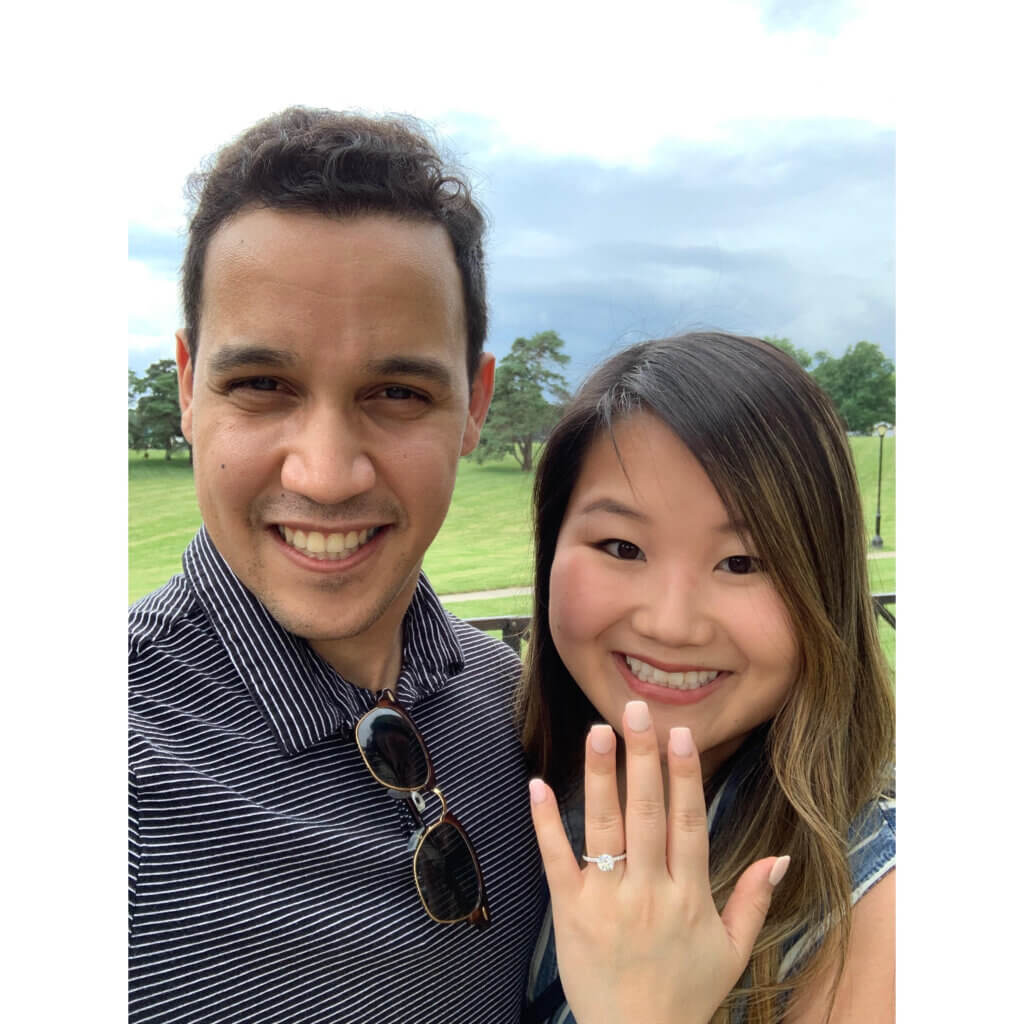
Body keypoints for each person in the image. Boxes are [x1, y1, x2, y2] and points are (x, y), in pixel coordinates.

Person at [128, 106, 548, 1023]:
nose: (325, 475)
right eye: (261, 386)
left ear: (473, 404)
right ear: (189, 388)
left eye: (396, 392)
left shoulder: (521, 708)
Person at [519, 332, 896, 1023]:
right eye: (621, 547)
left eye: (743, 562)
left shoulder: (880, 905)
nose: (672, 623)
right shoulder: (494, 770)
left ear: (826, 588)